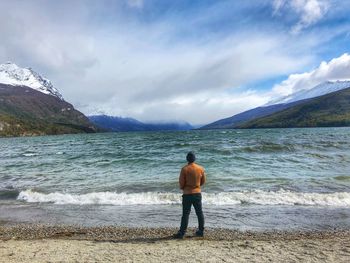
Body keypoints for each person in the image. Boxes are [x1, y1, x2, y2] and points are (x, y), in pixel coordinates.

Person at [173, 151, 206, 239]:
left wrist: (184, 188)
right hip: (197, 193)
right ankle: (201, 231)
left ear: (187, 159)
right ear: (195, 159)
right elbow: (203, 181)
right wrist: (197, 186)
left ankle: (182, 232)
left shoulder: (184, 169)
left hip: (187, 194)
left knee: (185, 214)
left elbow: (181, 183)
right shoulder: (201, 168)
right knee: (199, 213)